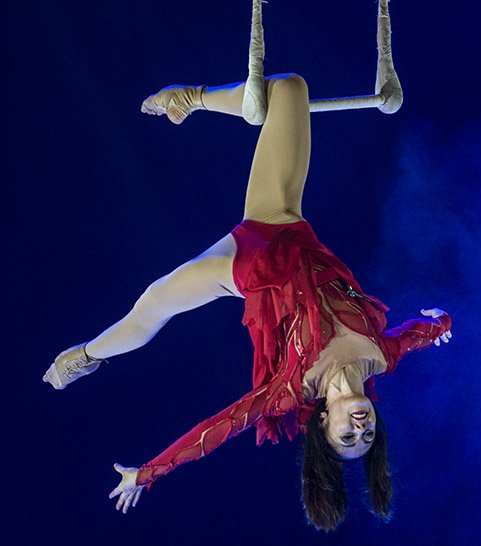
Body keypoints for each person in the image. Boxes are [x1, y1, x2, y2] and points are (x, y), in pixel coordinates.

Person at [42, 73, 452, 531]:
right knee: (291, 88)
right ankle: (189, 98)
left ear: (323, 425)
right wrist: (441, 322)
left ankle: (84, 356)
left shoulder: (290, 389)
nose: (360, 426)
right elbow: (422, 331)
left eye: (347, 434)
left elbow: (218, 429)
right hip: (281, 221)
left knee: (154, 304)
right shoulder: (383, 355)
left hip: (240, 270)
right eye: (368, 432)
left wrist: (150, 472)